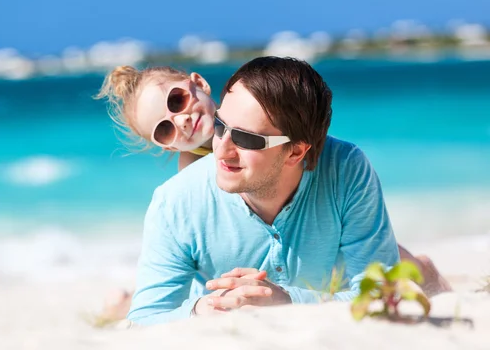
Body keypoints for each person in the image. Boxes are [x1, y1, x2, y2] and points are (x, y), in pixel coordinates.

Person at [95, 57, 451, 324]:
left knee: (398, 264)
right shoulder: (181, 195)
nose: (183, 121)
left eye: (177, 102)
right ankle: (120, 302)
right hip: (244, 272)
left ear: (198, 84)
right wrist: (206, 307)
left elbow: (374, 287)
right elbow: (153, 314)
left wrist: (290, 300)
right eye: (164, 130)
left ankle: (426, 269)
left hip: (325, 254)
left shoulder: (341, 165)